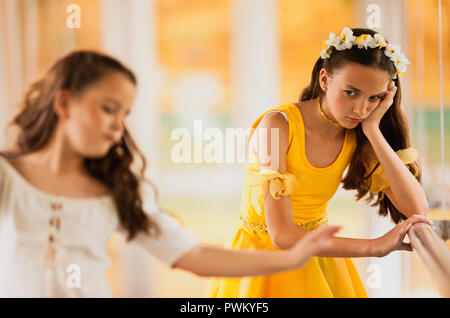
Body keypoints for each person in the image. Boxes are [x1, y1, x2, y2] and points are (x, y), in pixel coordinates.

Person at [0, 50, 343, 297]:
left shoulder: (116, 190)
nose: (118, 127)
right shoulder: (7, 178)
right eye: (108, 109)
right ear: (63, 103)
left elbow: (193, 255)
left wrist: (294, 258)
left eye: (125, 115)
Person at [205, 27, 433, 298]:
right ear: (325, 79)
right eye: (350, 92)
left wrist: (373, 130)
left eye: (374, 98)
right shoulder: (277, 125)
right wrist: (374, 247)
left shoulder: (358, 130)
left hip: (321, 259)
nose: (361, 109)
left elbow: (417, 208)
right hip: (263, 261)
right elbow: (283, 236)